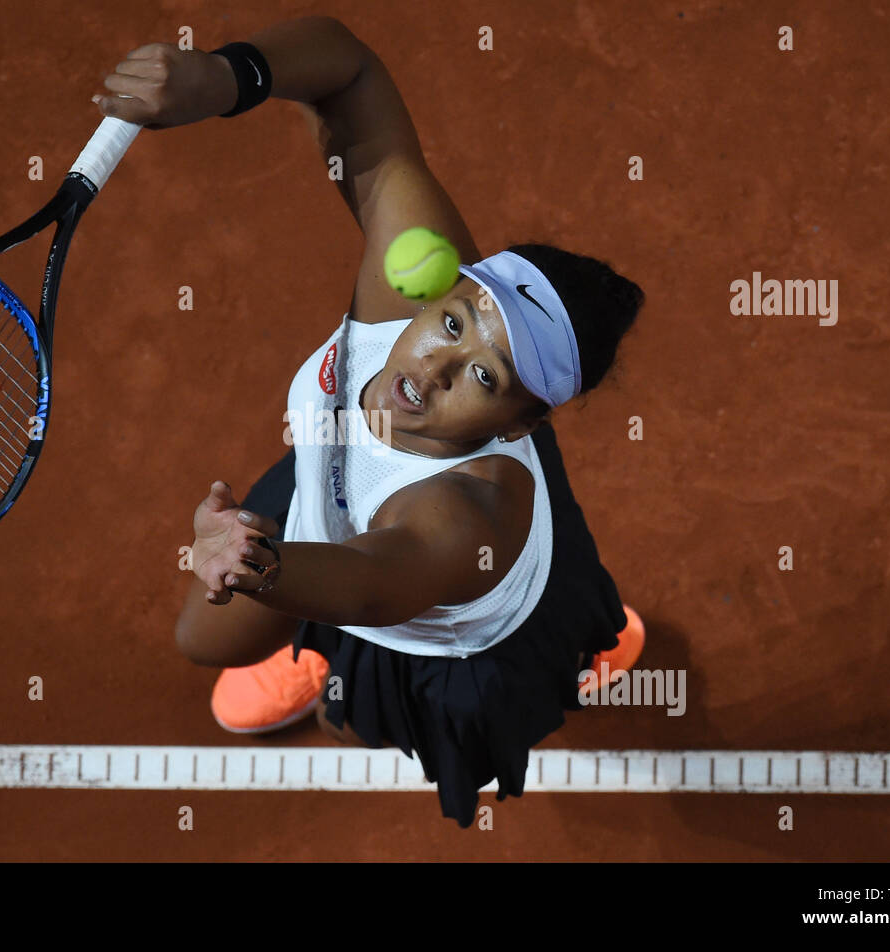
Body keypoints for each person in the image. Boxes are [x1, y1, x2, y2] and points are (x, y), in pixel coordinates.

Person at [95, 16, 646, 827]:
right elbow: (349, 72)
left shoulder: (461, 518)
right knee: (201, 639)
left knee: (353, 716)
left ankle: (574, 645)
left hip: (432, 624)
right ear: (448, 290)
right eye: (455, 324)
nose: (432, 368)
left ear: (521, 423)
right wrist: (222, 79)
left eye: (484, 377)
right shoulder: (414, 281)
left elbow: (374, 583)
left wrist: (255, 563)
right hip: (335, 469)